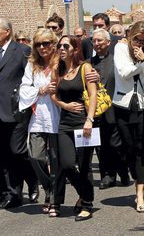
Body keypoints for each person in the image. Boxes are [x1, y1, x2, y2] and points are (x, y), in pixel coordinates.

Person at [113, 21, 144, 213]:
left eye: (142, 40)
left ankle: (140, 193)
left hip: (142, 105)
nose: (138, 44)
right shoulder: (121, 48)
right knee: (127, 147)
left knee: (140, 149)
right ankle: (133, 171)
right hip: (123, 104)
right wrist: (143, 63)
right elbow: (124, 74)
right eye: (136, 39)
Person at [51, 35, 97, 221]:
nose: (61, 49)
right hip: (64, 123)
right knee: (68, 164)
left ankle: (86, 204)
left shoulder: (85, 68)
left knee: (85, 165)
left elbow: (93, 95)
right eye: (59, 46)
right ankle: (86, 195)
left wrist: (89, 120)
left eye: (65, 46)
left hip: (83, 122)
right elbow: (53, 95)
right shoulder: (58, 70)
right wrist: (64, 105)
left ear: (75, 49)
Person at [19, 28, 60, 215]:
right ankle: (49, 188)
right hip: (38, 118)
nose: (42, 47)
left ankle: (53, 198)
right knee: (36, 156)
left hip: (58, 116)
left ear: (53, 44)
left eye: (46, 43)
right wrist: (39, 90)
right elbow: (24, 89)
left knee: (57, 160)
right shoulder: (32, 65)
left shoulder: (60, 62)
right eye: (38, 44)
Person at [88, 28, 129, 189]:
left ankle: (123, 170)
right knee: (102, 145)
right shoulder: (88, 63)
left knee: (116, 145)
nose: (97, 44)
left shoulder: (116, 61)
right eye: (94, 41)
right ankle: (107, 176)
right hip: (96, 110)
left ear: (108, 42)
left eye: (100, 40)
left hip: (115, 108)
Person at [0, 18, 32, 209]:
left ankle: (16, 193)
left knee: (14, 153)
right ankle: (4, 192)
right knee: (1, 155)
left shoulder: (21, 52)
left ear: (7, 32)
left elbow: (29, 80)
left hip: (14, 112)